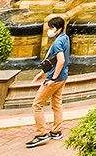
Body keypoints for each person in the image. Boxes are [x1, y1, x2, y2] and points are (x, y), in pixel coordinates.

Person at [27, 16, 70, 147]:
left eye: (52, 28)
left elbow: (61, 60)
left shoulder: (57, 43)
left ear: (59, 29)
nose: (50, 30)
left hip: (55, 79)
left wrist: (52, 78)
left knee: (37, 105)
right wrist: (42, 73)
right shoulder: (64, 38)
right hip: (63, 77)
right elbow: (54, 61)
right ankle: (56, 131)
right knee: (57, 103)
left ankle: (41, 134)